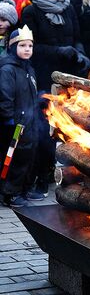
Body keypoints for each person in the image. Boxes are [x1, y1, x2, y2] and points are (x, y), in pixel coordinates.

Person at [22, 0, 89, 197]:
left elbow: (77, 37)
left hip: (69, 79)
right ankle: (42, 177)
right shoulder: (31, 12)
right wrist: (58, 51)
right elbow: (32, 48)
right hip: (44, 80)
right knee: (45, 131)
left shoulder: (68, 8)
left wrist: (81, 54)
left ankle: (74, 176)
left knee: (72, 128)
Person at [0, 26, 40, 207]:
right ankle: (9, 193)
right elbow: (4, 96)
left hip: (29, 122)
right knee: (13, 159)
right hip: (15, 124)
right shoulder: (8, 70)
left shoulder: (29, 70)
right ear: (12, 47)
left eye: (30, 46)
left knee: (27, 157)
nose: (27, 49)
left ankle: (23, 189)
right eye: (22, 45)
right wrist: (10, 120)